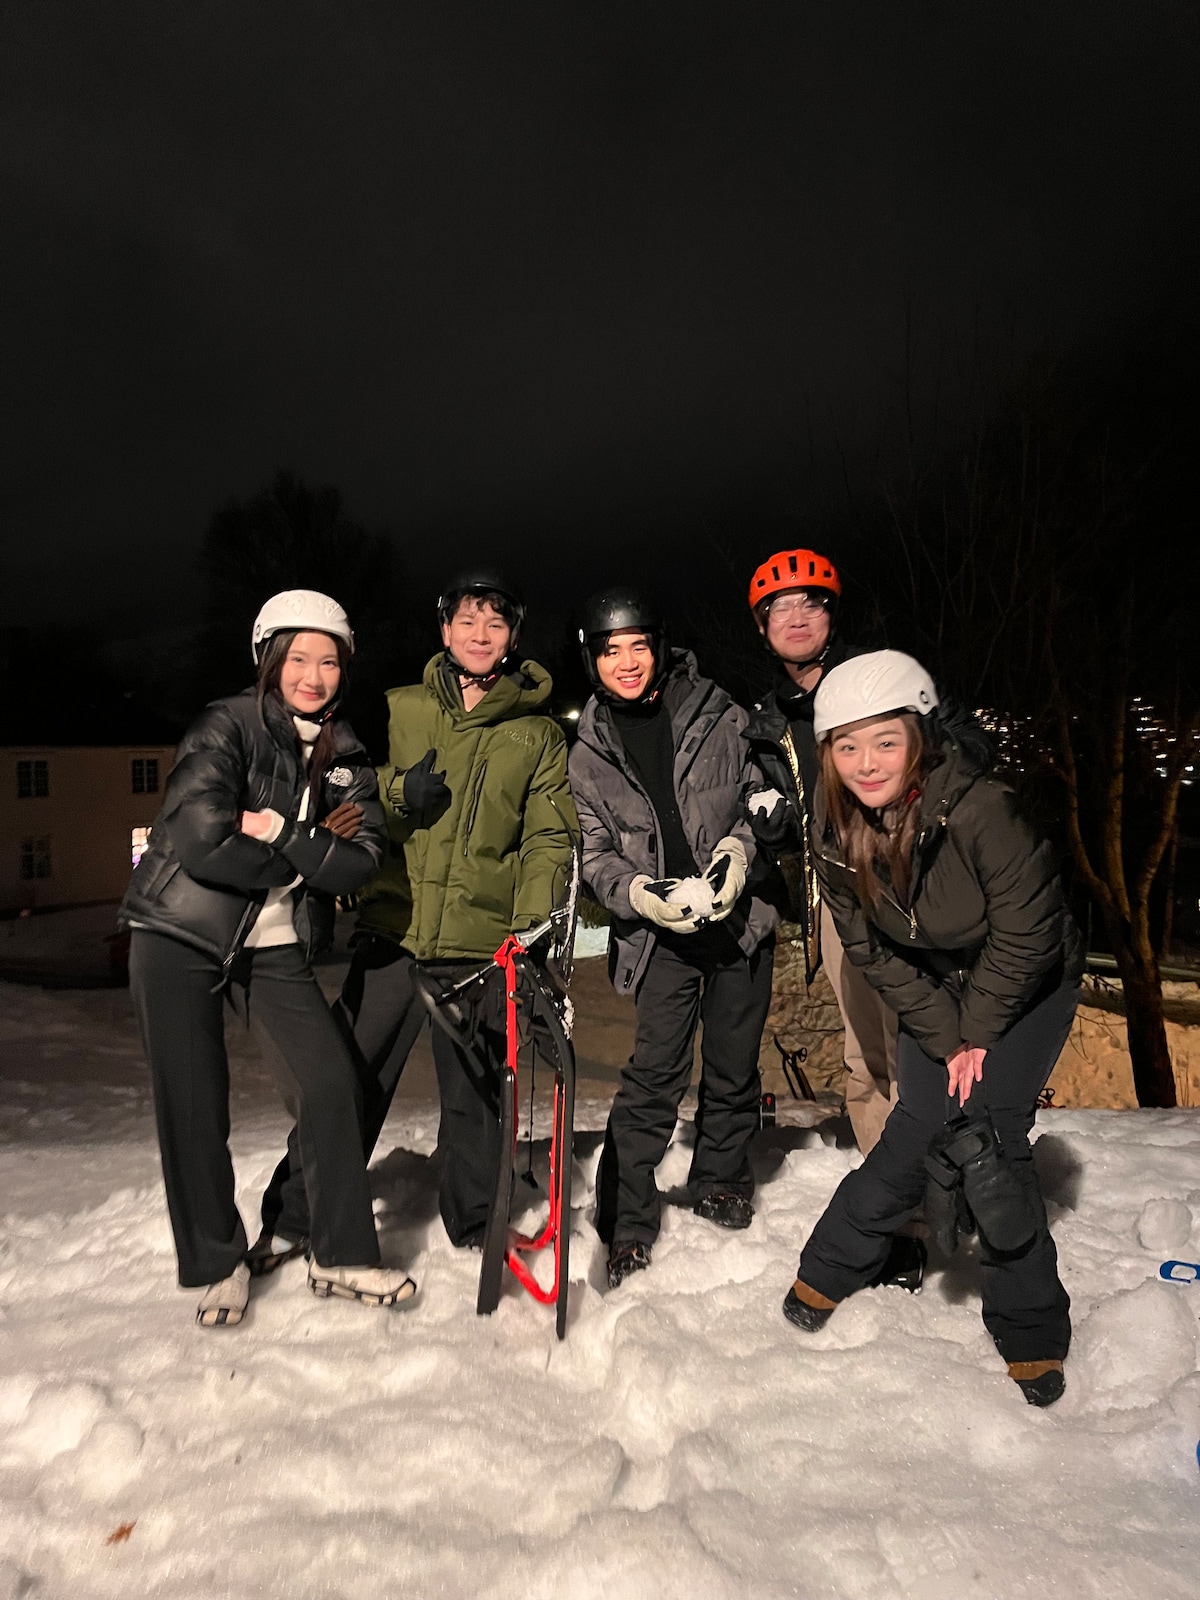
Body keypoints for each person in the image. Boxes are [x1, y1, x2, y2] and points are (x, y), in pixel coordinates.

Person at [783, 651, 1083, 1406]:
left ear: (918, 734)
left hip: (1029, 977)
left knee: (990, 1136)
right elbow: (869, 949)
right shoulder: (834, 824)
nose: (866, 763)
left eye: (884, 741)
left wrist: (977, 1032)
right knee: (918, 1124)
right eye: (846, 747)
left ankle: (1031, 1326)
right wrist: (943, 1034)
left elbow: (1028, 932)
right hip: (934, 980)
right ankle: (828, 1268)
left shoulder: (983, 809)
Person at [257, 571, 578, 1256]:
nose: (480, 635)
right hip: (394, 929)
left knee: (477, 1095)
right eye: (467, 621)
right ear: (444, 630)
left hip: (481, 946)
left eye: (495, 623)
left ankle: (475, 1222)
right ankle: (294, 1217)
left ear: (512, 636)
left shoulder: (539, 734)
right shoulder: (397, 708)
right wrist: (401, 791)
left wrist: (528, 926)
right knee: (346, 1080)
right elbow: (347, 790)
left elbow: (548, 838)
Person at [120, 590, 417, 1327]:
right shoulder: (228, 725)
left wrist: (281, 830)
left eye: (328, 660)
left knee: (331, 1084)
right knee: (193, 1108)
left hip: (274, 943)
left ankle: (340, 1252)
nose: (312, 675)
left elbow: (359, 866)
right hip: (178, 933)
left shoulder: (345, 754)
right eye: (297, 658)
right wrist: (307, 852)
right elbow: (199, 838)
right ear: (269, 661)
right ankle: (218, 1262)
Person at [569, 588, 779, 1289]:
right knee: (655, 1075)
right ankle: (629, 1218)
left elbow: (759, 794)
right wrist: (639, 894)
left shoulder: (719, 712)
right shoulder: (589, 753)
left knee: (732, 1063)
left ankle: (721, 1177)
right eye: (610, 651)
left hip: (737, 921)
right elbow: (595, 853)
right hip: (659, 938)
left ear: (659, 647)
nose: (626, 663)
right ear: (593, 661)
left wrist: (738, 857)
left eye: (638, 646)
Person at [744, 548, 923, 1292]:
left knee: (930, 1053)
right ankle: (901, 1221)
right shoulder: (763, 721)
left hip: (912, 892)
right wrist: (770, 822)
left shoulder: (879, 682)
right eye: (778, 610)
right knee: (866, 1064)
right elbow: (766, 810)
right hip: (837, 906)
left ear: (830, 616)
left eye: (808, 605)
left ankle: (967, 1185)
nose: (794, 618)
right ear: (763, 630)